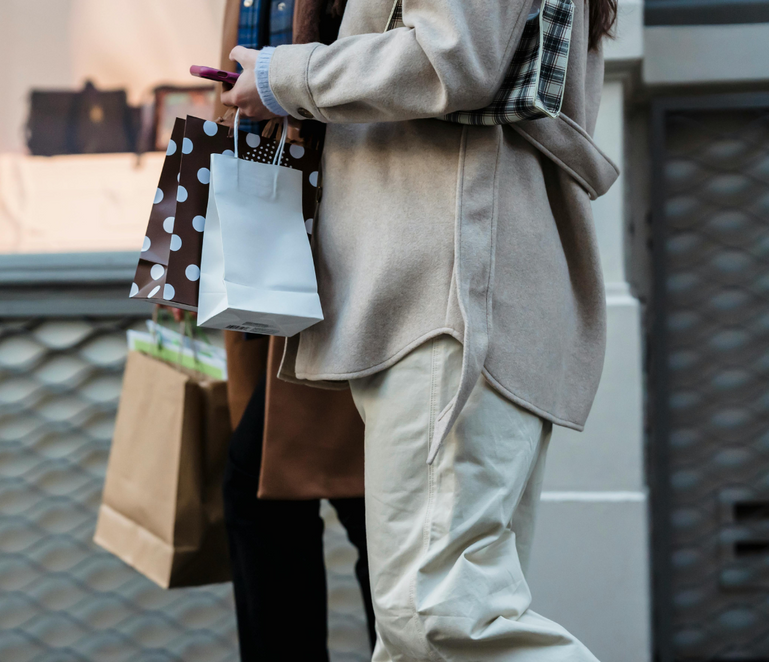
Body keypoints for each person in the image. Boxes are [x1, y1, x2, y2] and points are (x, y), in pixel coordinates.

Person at [221, 0, 621, 659]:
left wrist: (284, 76)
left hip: (449, 284)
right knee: (421, 630)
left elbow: (451, 56)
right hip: (425, 282)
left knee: (438, 616)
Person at [210, 2, 379, 659]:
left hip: (341, 230)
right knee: (274, 488)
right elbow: (228, 84)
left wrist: (282, 82)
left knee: (343, 490)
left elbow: (416, 64)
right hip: (268, 220)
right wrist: (188, 239)